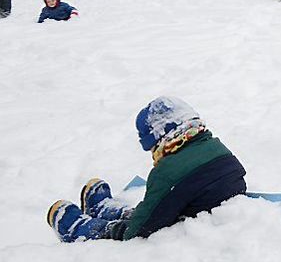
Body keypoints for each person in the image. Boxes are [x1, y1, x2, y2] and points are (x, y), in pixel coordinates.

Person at [46, 96, 247, 242]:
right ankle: (116, 211)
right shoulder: (220, 149)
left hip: (186, 224)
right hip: (204, 209)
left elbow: (139, 231)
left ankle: (91, 228)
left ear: (160, 140)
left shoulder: (168, 173)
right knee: (158, 208)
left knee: (139, 222)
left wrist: (120, 230)